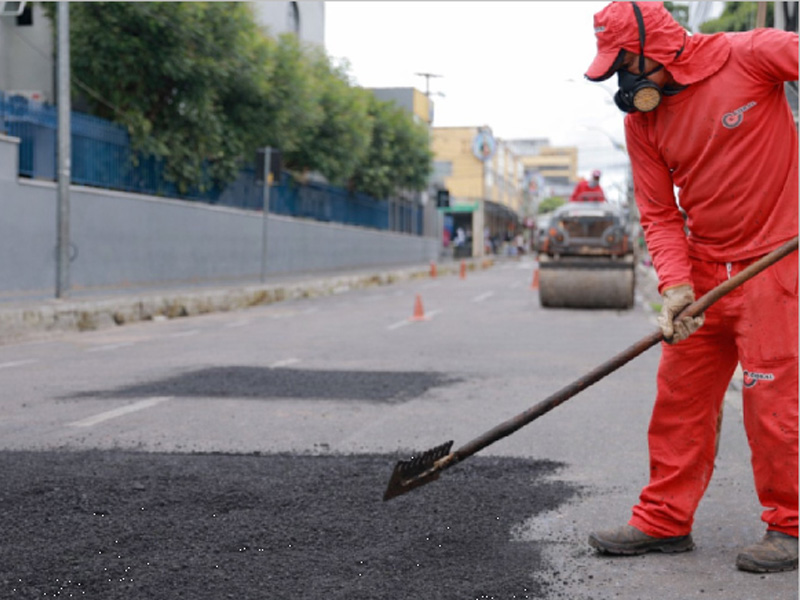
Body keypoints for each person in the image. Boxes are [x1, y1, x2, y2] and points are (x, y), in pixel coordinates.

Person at [582, 1, 798, 573]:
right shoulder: (643, 121)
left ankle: (790, 527)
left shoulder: (750, 54)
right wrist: (675, 287)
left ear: (658, 45)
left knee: (772, 401)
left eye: (624, 64)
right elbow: (657, 214)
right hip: (704, 271)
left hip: (775, 262)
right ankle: (663, 521)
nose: (623, 82)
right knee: (678, 400)